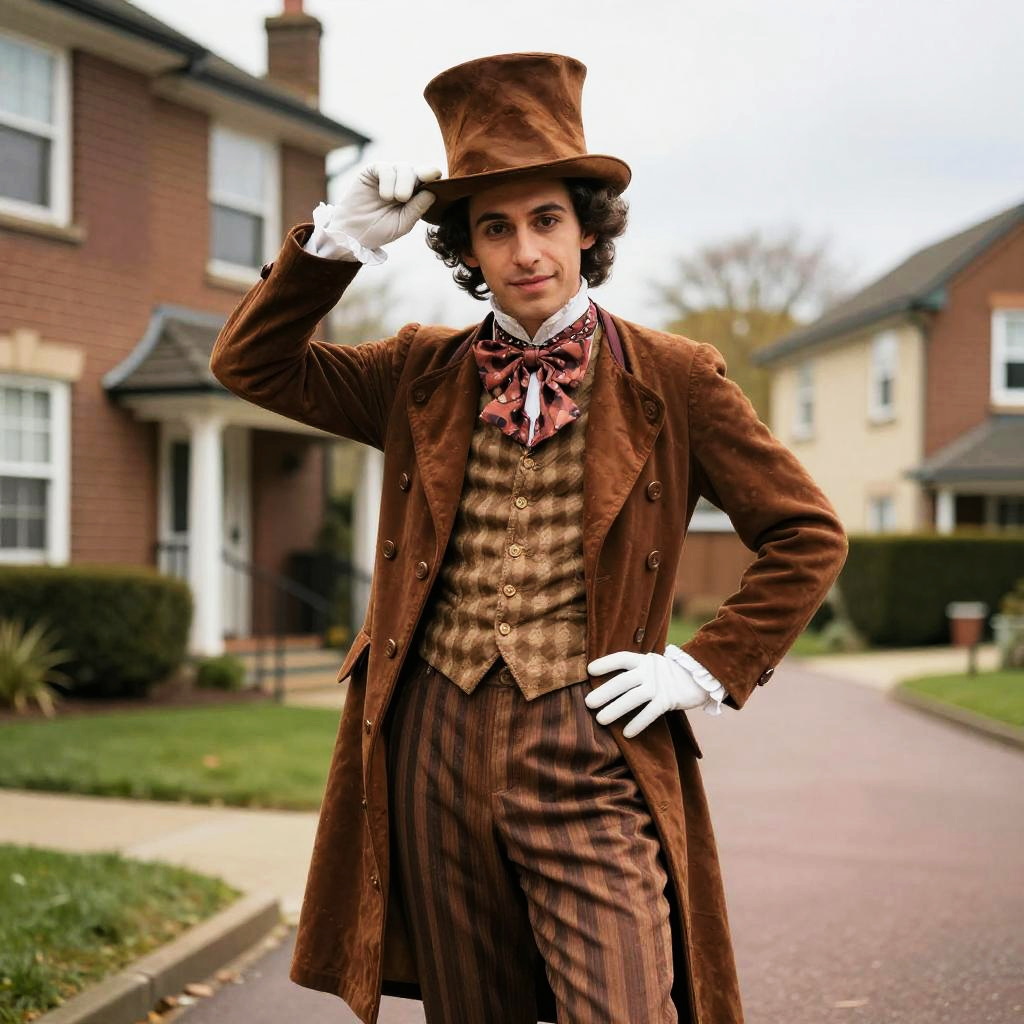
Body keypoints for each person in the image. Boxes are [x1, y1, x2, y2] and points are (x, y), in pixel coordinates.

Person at [210, 52, 848, 1024]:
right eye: (495, 227)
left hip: (590, 744)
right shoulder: (418, 371)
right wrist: (334, 242)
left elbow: (805, 532)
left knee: (625, 1002)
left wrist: (705, 668)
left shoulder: (675, 376)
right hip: (431, 741)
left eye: (546, 219)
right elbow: (252, 363)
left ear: (587, 227)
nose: (524, 251)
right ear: (468, 247)